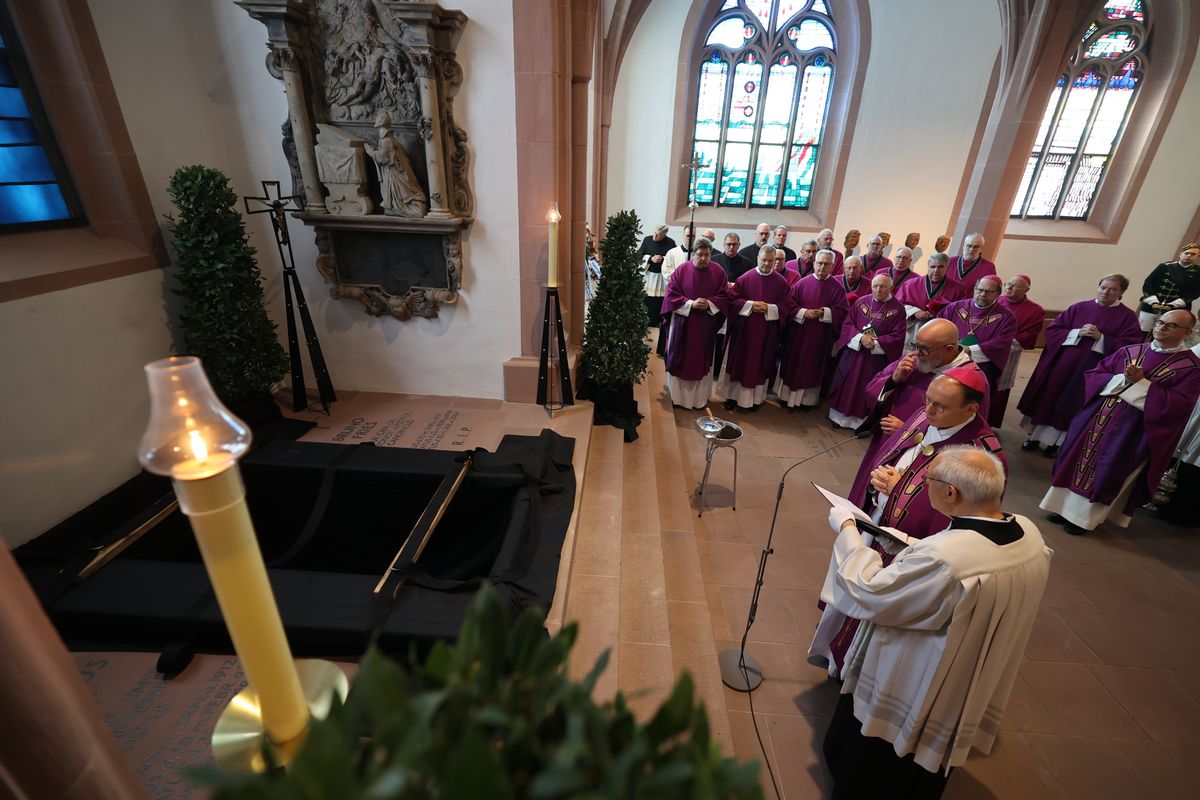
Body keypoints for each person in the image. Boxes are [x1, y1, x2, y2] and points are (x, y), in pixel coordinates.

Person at [817, 446, 1051, 799]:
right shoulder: (1027, 532)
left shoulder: (946, 559)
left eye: (927, 480)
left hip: (922, 672)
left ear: (951, 493)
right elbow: (957, 560)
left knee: (880, 763)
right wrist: (903, 544)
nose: (923, 486)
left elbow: (871, 591)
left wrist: (848, 529)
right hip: (971, 665)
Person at [812, 370, 1008, 679]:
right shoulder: (924, 417)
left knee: (876, 611)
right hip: (879, 522)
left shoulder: (981, 458)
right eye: (927, 400)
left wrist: (898, 490)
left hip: (910, 548)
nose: (928, 410)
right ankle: (837, 653)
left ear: (971, 409)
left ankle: (855, 673)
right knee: (853, 593)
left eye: (939, 406)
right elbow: (898, 455)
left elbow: (964, 521)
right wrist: (880, 480)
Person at [1041, 309, 1200, 534]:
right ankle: (1060, 508)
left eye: (1171, 325)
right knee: (1074, 460)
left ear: (1187, 333)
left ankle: (1081, 519)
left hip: (1132, 430)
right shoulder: (1132, 350)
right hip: (1098, 418)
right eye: (1159, 322)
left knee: (1108, 470)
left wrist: (1141, 384)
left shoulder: (1191, 367)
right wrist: (1121, 379)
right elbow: (1096, 374)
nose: (1161, 327)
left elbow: (1179, 405)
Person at [1019, 274, 1143, 456]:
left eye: (1112, 290)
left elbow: (1130, 347)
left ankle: (1057, 444)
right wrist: (1077, 332)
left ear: (1121, 293)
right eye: (1103, 287)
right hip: (1064, 365)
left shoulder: (1127, 317)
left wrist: (1102, 338)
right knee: (1050, 398)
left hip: (1092, 370)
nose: (1106, 292)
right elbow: (1054, 330)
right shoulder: (1080, 307)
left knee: (1074, 403)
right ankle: (1034, 438)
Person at [859, 318, 990, 467]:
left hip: (923, 457)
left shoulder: (972, 381)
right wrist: (894, 379)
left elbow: (969, 433)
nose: (917, 353)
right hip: (887, 440)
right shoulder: (912, 360)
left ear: (949, 348)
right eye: (915, 345)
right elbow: (871, 390)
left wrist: (909, 431)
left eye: (925, 349)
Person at [716, 246, 792, 411]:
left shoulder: (781, 283)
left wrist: (769, 308)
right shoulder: (745, 278)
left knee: (759, 365)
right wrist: (750, 305)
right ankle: (732, 397)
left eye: (770, 261)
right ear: (758, 258)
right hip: (743, 332)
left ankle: (755, 400)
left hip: (766, 334)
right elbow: (732, 301)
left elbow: (787, 306)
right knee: (738, 363)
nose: (766, 264)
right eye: (764, 260)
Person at [827, 274, 907, 429]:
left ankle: (859, 423)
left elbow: (898, 336)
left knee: (866, 387)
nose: (878, 290)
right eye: (875, 286)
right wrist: (860, 338)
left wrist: (876, 343)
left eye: (883, 286)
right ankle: (838, 418)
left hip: (874, 360)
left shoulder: (897, 309)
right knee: (847, 384)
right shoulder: (861, 302)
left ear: (891, 288)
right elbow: (848, 324)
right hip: (854, 354)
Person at [661, 238, 730, 408]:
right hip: (683, 324)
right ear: (693, 254)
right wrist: (691, 304)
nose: (703, 258)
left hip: (705, 325)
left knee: (701, 360)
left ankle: (699, 400)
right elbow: (671, 295)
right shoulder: (681, 270)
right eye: (700, 255)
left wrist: (710, 303)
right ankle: (678, 398)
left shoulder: (718, 272)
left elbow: (724, 296)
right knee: (681, 358)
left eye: (707, 255)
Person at [777, 248, 849, 409]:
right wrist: (803, 312)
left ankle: (806, 401)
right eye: (820, 263)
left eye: (826, 264)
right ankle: (786, 397)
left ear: (833, 266)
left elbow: (843, 312)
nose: (822, 267)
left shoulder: (837, 288)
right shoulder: (802, 283)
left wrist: (826, 312)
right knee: (794, 364)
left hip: (820, 338)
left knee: (812, 368)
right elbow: (789, 305)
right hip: (798, 335)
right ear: (814, 263)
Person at [936, 275, 1016, 410]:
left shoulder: (1006, 317)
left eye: (989, 291)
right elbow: (938, 326)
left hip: (980, 366)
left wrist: (970, 350)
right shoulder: (956, 307)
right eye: (980, 290)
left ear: (998, 293)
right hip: (948, 359)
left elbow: (1001, 343)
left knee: (967, 401)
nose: (983, 294)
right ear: (974, 289)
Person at [990, 274, 1045, 428]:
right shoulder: (995, 300)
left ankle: (989, 423)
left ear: (1026, 290)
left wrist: (997, 344)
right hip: (981, 350)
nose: (1009, 287)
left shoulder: (1035, 310)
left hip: (1007, 355)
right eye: (1008, 283)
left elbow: (1027, 336)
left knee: (998, 388)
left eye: (1016, 286)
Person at [366, 111, 428, 217]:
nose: (375, 119)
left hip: (395, 174)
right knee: (398, 195)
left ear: (381, 122)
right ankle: (396, 208)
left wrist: (372, 153)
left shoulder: (387, 140)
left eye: (378, 117)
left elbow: (383, 158)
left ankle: (403, 209)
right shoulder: (387, 138)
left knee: (404, 194)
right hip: (394, 172)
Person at [1138, 242, 1200, 334]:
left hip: (1175, 310)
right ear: (1180, 254)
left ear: (1198, 257)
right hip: (1151, 306)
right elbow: (1148, 283)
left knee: (1164, 335)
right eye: (1186, 253)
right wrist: (1153, 301)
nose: (1188, 256)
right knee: (1141, 333)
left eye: (1193, 254)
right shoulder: (1164, 266)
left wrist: (1174, 304)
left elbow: (1196, 292)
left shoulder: (1198, 272)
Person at [895, 252, 952, 348]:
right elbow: (896, 305)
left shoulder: (958, 289)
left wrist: (938, 315)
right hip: (910, 331)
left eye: (941, 267)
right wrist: (914, 312)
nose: (936, 270)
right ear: (928, 267)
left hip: (938, 334)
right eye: (932, 267)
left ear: (947, 267)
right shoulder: (910, 284)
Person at [656, 225, 695, 356]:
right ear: (683, 235)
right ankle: (665, 350)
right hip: (675, 294)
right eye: (688, 235)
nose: (690, 238)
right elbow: (666, 272)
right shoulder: (672, 252)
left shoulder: (698, 254)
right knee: (670, 322)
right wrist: (683, 279)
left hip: (691, 296)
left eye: (693, 236)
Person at [638, 224, 677, 328]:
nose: (654, 236)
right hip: (649, 277)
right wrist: (650, 258)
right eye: (654, 232)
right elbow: (638, 255)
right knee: (647, 299)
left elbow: (674, 259)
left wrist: (663, 259)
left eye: (658, 235)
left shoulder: (671, 243)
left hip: (662, 278)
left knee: (659, 301)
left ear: (664, 234)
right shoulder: (647, 240)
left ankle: (658, 322)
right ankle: (644, 322)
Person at [945, 233, 996, 301]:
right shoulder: (950, 261)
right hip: (945, 302)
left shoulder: (989, 267)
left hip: (969, 305)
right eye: (969, 246)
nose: (971, 249)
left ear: (981, 248)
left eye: (976, 247)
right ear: (963, 246)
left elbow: (990, 291)